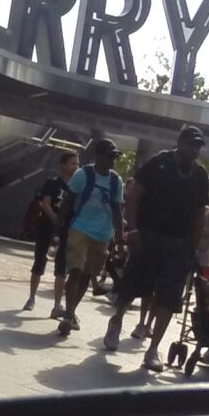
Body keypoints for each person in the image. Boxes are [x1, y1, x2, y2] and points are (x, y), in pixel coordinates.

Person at [106, 125, 209, 369]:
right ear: (180, 142)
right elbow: (134, 196)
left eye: (198, 146)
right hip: (149, 235)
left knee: (169, 297)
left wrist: (194, 247)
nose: (194, 150)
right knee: (132, 285)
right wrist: (133, 229)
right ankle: (117, 320)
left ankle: (153, 349)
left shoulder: (199, 175)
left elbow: (199, 213)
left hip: (179, 243)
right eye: (191, 144)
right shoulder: (159, 163)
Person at [54, 139, 124, 332]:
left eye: (115, 157)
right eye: (109, 156)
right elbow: (68, 202)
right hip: (80, 228)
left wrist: (119, 239)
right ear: (98, 155)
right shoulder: (83, 174)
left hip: (102, 234)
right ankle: (68, 315)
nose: (112, 160)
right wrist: (58, 228)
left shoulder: (116, 181)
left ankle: (72, 311)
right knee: (75, 271)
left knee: (87, 274)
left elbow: (117, 211)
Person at [24, 147, 77, 310]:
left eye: (77, 164)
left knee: (61, 267)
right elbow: (45, 203)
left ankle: (57, 304)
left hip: (66, 230)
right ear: (63, 164)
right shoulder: (52, 183)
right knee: (40, 261)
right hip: (47, 227)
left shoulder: (77, 187)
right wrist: (55, 218)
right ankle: (31, 297)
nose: (75, 167)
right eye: (72, 163)